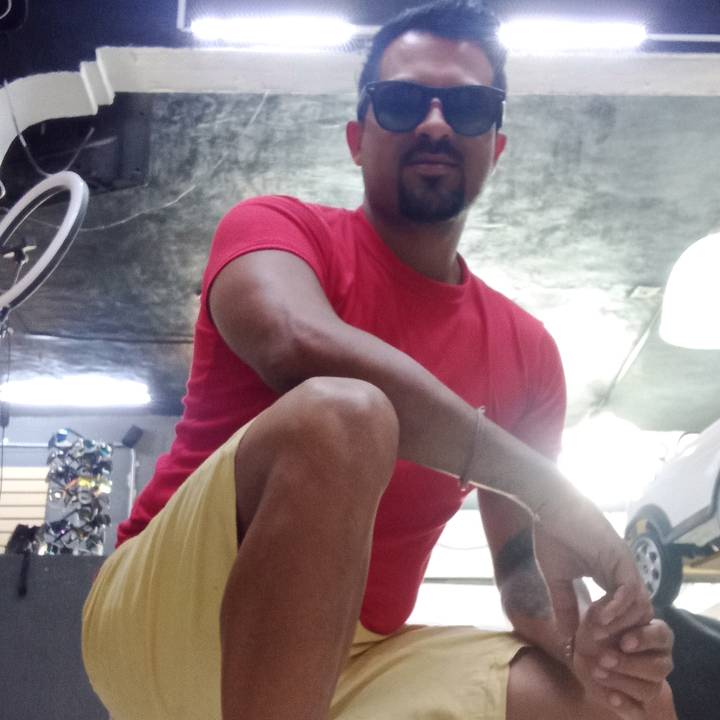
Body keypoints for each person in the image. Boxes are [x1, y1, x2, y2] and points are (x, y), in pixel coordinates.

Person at [81, 2, 677, 719]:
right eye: (401, 102)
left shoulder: (527, 352)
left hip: (350, 660)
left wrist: (591, 646)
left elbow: (522, 573)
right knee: (345, 415)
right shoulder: (278, 229)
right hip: (165, 618)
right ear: (357, 140)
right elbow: (294, 345)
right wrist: (544, 487)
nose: (435, 124)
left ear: (496, 147)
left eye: (467, 107)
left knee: (626, 704)